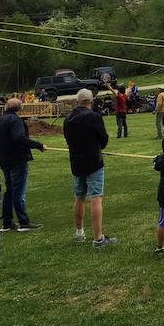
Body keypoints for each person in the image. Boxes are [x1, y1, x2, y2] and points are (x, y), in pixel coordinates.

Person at [64, 89, 114, 247]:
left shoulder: (68, 118)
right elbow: (103, 139)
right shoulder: (94, 116)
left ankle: (80, 233)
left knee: (79, 197)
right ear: (91, 102)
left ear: (78, 101)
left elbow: (68, 139)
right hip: (94, 162)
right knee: (96, 197)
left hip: (76, 163)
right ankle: (98, 238)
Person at [0, 97, 45, 232]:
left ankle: (7, 223)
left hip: (4, 160)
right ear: (19, 108)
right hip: (17, 160)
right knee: (18, 192)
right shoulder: (15, 120)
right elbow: (19, 138)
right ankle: (23, 222)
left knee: (10, 190)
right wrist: (38, 145)